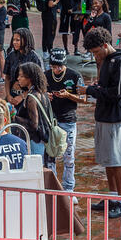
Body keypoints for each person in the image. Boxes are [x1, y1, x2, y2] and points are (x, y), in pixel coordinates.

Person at [76, 27, 121, 218]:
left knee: (116, 161)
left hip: (114, 117)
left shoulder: (120, 62)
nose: (95, 56)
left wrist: (90, 91)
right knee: (108, 160)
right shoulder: (108, 61)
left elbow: (118, 93)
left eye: (96, 52)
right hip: (104, 115)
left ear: (105, 46)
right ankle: (113, 196)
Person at [43, 49, 81, 190]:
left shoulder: (74, 75)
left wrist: (69, 96)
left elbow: (84, 98)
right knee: (49, 156)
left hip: (68, 120)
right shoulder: (45, 76)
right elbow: (37, 94)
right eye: (54, 67)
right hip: (50, 120)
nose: (57, 69)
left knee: (69, 156)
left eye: (60, 66)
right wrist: (45, 95)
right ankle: (53, 188)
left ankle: (69, 188)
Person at [8, 61, 51, 158]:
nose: (18, 78)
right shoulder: (42, 92)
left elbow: (34, 124)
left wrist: (15, 117)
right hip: (43, 140)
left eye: (21, 76)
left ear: (30, 78)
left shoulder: (31, 97)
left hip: (34, 142)